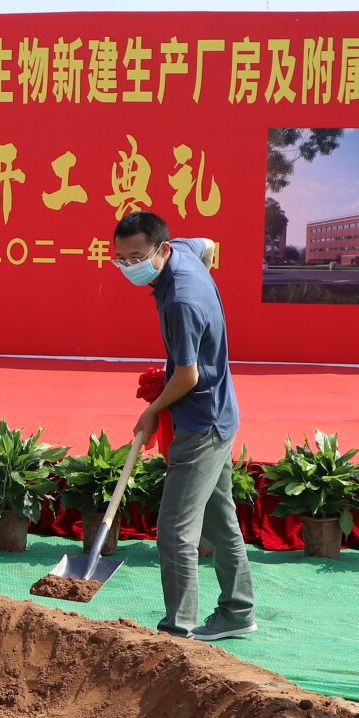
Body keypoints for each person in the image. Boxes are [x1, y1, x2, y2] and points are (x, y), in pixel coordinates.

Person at [115, 210, 255, 642]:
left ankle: (178, 630)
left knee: (176, 529)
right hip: (220, 411)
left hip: (201, 422)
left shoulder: (181, 301)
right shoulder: (186, 251)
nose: (129, 266)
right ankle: (238, 612)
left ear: (160, 250)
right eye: (121, 258)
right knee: (220, 520)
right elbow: (208, 243)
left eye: (137, 258)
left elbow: (187, 377)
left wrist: (152, 409)